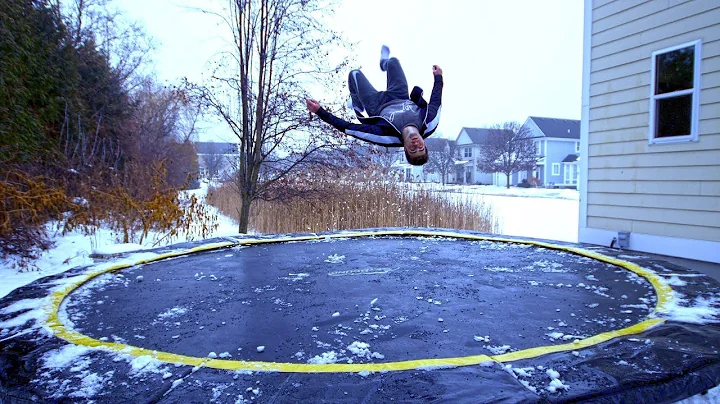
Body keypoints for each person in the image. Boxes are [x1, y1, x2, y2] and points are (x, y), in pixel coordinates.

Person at [305, 46, 443, 166]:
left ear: (406, 149)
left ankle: (357, 104)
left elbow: (349, 128)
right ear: (424, 144)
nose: (416, 145)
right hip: (400, 96)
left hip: (377, 104)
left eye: (413, 150)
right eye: (421, 148)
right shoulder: (429, 122)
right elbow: (436, 100)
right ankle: (384, 63)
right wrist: (438, 77)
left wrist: (320, 111)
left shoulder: (385, 136)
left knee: (354, 74)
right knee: (393, 62)